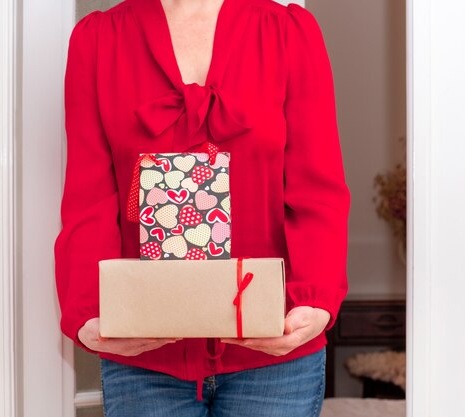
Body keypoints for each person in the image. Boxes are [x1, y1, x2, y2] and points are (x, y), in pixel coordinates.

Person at [53, 0, 351, 415]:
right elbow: (89, 196)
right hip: (144, 354)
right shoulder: (98, 40)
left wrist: (316, 301)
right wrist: (88, 312)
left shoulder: (288, 32)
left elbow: (317, 187)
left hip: (275, 347)